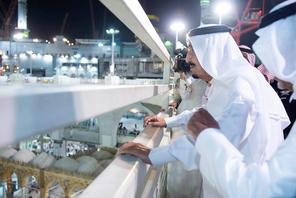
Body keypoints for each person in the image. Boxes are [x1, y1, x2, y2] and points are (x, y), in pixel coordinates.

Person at [120, 24, 289, 197]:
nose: (187, 59)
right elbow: (207, 111)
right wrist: (168, 121)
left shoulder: (240, 85)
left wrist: (153, 155)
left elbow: (217, 136)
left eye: (193, 50)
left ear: (211, 51)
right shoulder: (228, 81)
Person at [187, 0, 296, 197]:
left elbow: (263, 190)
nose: (270, 67)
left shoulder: (240, 83)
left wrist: (207, 136)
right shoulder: (236, 81)